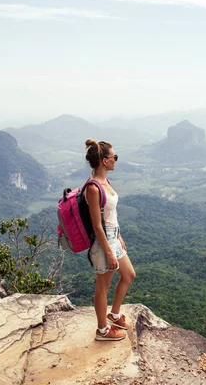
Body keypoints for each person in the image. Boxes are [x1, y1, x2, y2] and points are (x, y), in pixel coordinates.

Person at [84, 139, 136, 341]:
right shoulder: (94, 188)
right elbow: (97, 225)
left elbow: (110, 215)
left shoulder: (106, 182)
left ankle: (114, 315)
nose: (116, 160)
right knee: (102, 287)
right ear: (104, 161)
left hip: (114, 237)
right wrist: (108, 251)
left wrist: (119, 236)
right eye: (114, 157)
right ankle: (102, 331)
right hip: (103, 243)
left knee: (129, 275)